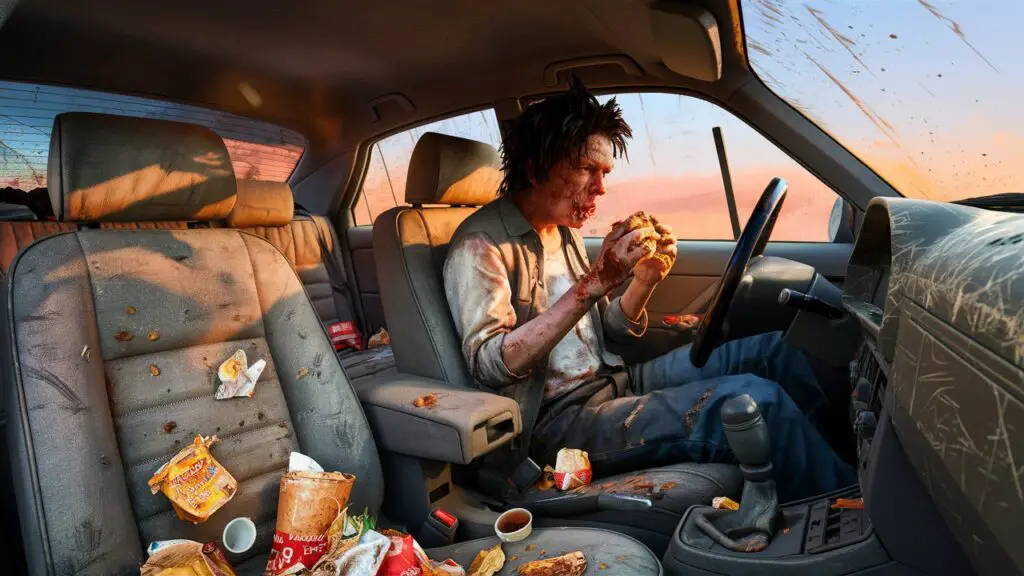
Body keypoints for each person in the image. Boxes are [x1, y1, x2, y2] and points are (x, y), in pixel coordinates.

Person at [442, 77, 855, 502]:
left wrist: (644, 282)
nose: (600, 187)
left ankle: (839, 462)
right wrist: (593, 283)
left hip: (617, 378)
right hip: (559, 423)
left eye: (604, 173)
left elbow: (607, 333)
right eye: (587, 169)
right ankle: (844, 507)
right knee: (756, 401)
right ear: (535, 168)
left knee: (775, 352)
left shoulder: (560, 231)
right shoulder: (480, 246)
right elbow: (490, 363)